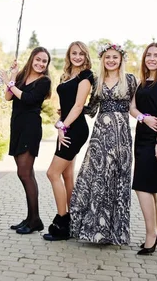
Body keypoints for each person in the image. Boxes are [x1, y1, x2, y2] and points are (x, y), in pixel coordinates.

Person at [69, 43, 137, 245]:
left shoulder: (131, 80)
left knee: (117, 179)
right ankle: (95, 231)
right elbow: (90, 109)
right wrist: (68, 113)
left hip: (121, 138)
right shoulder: (97, 81)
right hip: (100, 138)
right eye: (107, 57)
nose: (111, 60)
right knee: (97, 178)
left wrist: (146, 118)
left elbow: (135, 107)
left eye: (115, 57)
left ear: (121, 59)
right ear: (103, 59)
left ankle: (115, 233)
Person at [42, 42, 94, 241]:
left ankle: (63, 221)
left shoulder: (86, 76)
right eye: (74, 53)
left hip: (74, 129)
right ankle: (75, 221)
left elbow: (79, 105)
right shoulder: (67, 75)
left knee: (52, 173)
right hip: (66, 126)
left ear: (86, 56)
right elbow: (67, 105)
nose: (78, 57)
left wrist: (63, 126)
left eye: (81, 53)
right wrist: (61, 120)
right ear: (69, 55)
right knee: (67, 176)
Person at [0, 47, 52, 234]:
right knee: (26, 173)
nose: (40, 63)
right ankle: (31, 218)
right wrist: (13, 75)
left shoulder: (44, 81)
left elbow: (28, 99)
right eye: (38, 59)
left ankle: (35, 219)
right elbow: (7, 97)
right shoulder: (21, 76)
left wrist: (10, 83)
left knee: (25, 173)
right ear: (32, 59)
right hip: (17, 126)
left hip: (30, 128)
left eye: (44, 61)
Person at [130, 43, 157, 255]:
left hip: (156, 139)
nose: (152, 59)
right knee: (149, 187)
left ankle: (151, 235)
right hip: (141, 137)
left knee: (141, 186)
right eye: (149, 55)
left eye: (156, 55)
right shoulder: (141, 81)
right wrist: (143, 118)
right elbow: (132, 108)